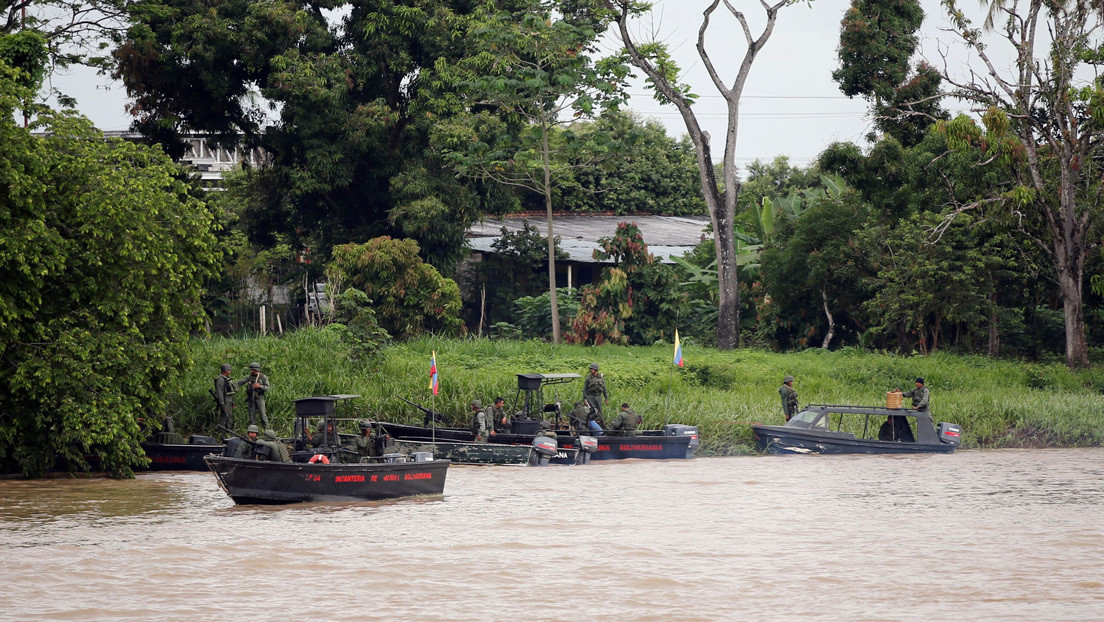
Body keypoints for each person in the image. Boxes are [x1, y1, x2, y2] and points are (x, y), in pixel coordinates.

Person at [238, 362, 270, 428]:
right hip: (251, 398)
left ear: (256, 370)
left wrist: (259, 386)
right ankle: (252, 430)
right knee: (251, 415)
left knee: (263, 414)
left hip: (259, 397)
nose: (251, 371)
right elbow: (240, 382)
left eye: (253, 369)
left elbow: (267, 388)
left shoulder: (263, 377)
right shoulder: (249, 377)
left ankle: (267, 429)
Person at [214, 364, 236, 430]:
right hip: (224, 401)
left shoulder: (226, 378)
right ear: (225, 371)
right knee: (224, 417)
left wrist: (232, 402)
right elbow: (219, 392)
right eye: (228, 370)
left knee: (229, 418)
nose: (229, 371)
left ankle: (228, 432)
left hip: (229, 400)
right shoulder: (220, 379)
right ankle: (221, 433)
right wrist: (222, 404)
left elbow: (230, 392)